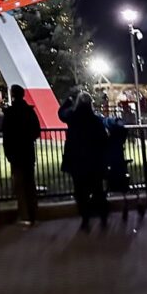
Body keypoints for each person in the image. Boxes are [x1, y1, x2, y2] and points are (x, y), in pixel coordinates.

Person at [61, 91, 109, 232]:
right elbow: (104, 139)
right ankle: (103, 216)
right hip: (94, 162)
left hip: (77, 162)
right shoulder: (96, 120)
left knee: (80, 192)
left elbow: (61, 113)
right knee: (98, 190)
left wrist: (69, 100)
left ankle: (85, 219)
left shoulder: (72, 118)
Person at [2, 84, 41, 226]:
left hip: (15, 153)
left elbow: (6, 134)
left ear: (12, 95)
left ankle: (24, 215)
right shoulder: (29, 112)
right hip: (28, 152)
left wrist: (8, 152)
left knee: (20, 185)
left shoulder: (10, 113)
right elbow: (36, 131)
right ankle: (33, 214)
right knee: (30, 184)